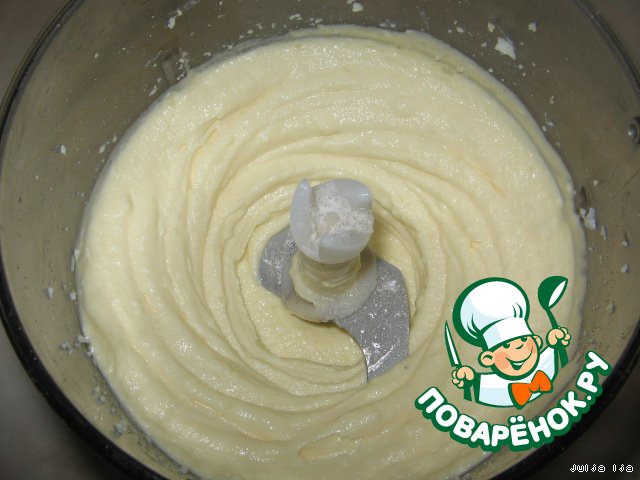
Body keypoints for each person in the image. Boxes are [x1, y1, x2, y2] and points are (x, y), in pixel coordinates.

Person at [450, 278, 571, 409]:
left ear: (537, 341)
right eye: (506, 345)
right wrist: (468, 381)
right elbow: (472, 391)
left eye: (524, 340)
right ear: (488, 358)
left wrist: (557, 343)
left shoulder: (546, 362)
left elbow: (560, 358)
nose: (519, 347)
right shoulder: (491, 387)